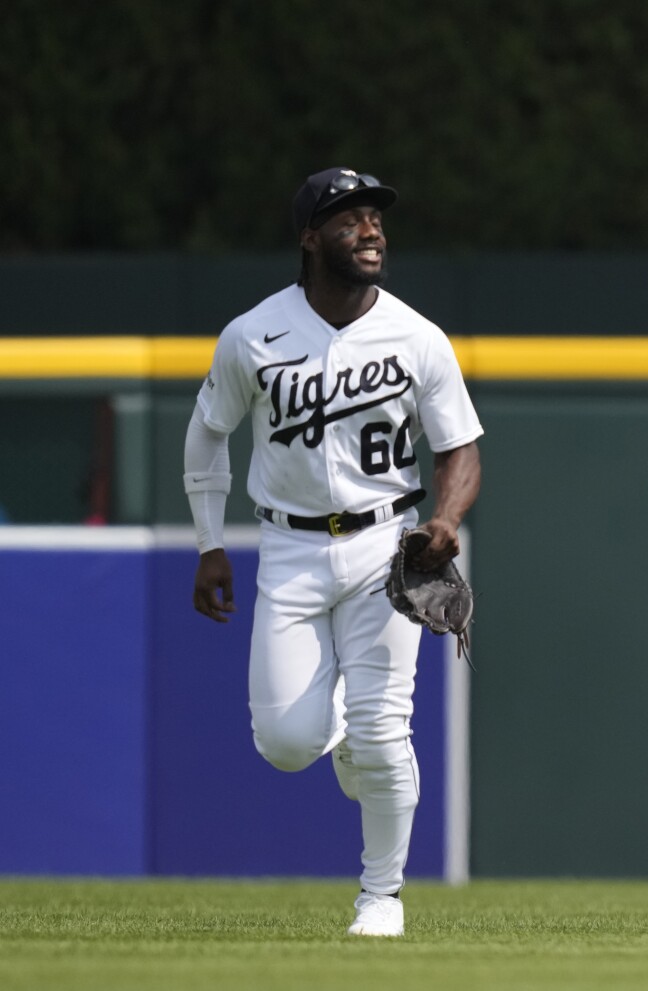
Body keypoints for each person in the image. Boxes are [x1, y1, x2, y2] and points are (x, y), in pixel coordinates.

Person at [185, 167, 483, 938]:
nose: (372, 230)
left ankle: (380, 896)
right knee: (286, 744)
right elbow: (208, 431)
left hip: (389, 544)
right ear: (310, 237)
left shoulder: (416, 335)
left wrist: (446, 519)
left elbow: (460, 448)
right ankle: (343, 734)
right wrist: (211, 542)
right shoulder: (253, 334)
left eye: (376, 217)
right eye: (350, 218)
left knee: (388, 731)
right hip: (287, 546)